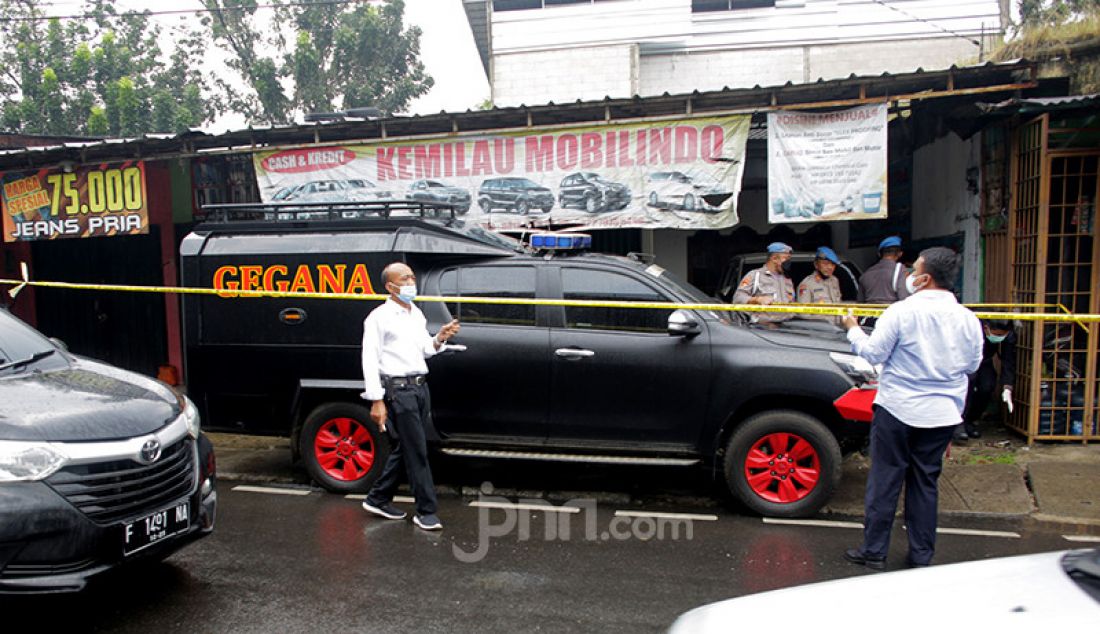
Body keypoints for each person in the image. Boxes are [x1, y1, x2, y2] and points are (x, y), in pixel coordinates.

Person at [839, 247, 983, 569]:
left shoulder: (901, 313)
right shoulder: (968, 319)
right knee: (925, 484)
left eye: (913, 270)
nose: (908, 276)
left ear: (925, 278)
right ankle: (921, 556)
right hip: (942, 415)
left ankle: (874, 550)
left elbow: (873, 354)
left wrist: (852, 328)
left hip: (897, 410)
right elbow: (972, 364)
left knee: (885, 481)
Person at [360, 262, 460, 531]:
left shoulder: (415, 312)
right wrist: (377, 400)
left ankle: (378, 498)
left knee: (407, 446)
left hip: (419, 387)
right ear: (390, 286)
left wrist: (439, 338)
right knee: (417, 451)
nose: (410, 282)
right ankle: (426, 511)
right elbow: (369, 359)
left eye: (412, 277)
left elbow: (425, 349)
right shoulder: (378, 317)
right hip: (398, 391)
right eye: (404, 279)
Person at [955, 318, 1017, 442]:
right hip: (964, 361)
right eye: (997, 334)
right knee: (966, 389)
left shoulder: (1008, 335)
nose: (999, 337)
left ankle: (970, 420)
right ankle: (958, 423)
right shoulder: (972, 328)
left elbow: (1008, 361)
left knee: (987, 387)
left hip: (985, 361)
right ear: (986, 327)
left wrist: (1007, 387)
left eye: (1002, 335)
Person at [732, 242, 794, 325]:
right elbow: (738, 298)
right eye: (786, 258)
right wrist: (757, 300)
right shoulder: (755, 275)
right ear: (774, 258)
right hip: (762, 328)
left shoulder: (787, 279)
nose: (788, 262)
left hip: (787, 325)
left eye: (789, 259)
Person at [857, 236, 911, 304]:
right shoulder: (900, 270)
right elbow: (903, 298)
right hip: (892, 313)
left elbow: (860, 302)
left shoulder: (866, 274)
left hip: (869, 314)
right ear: (900, 254)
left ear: (879, 254)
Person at [797, 246, 843, 324]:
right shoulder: (807, 284)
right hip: (819, 332)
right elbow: (803, 315)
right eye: (825, 263)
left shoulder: (834, 281)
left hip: (838, 329)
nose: (830, 267)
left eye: (833, 264)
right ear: (816, 265)